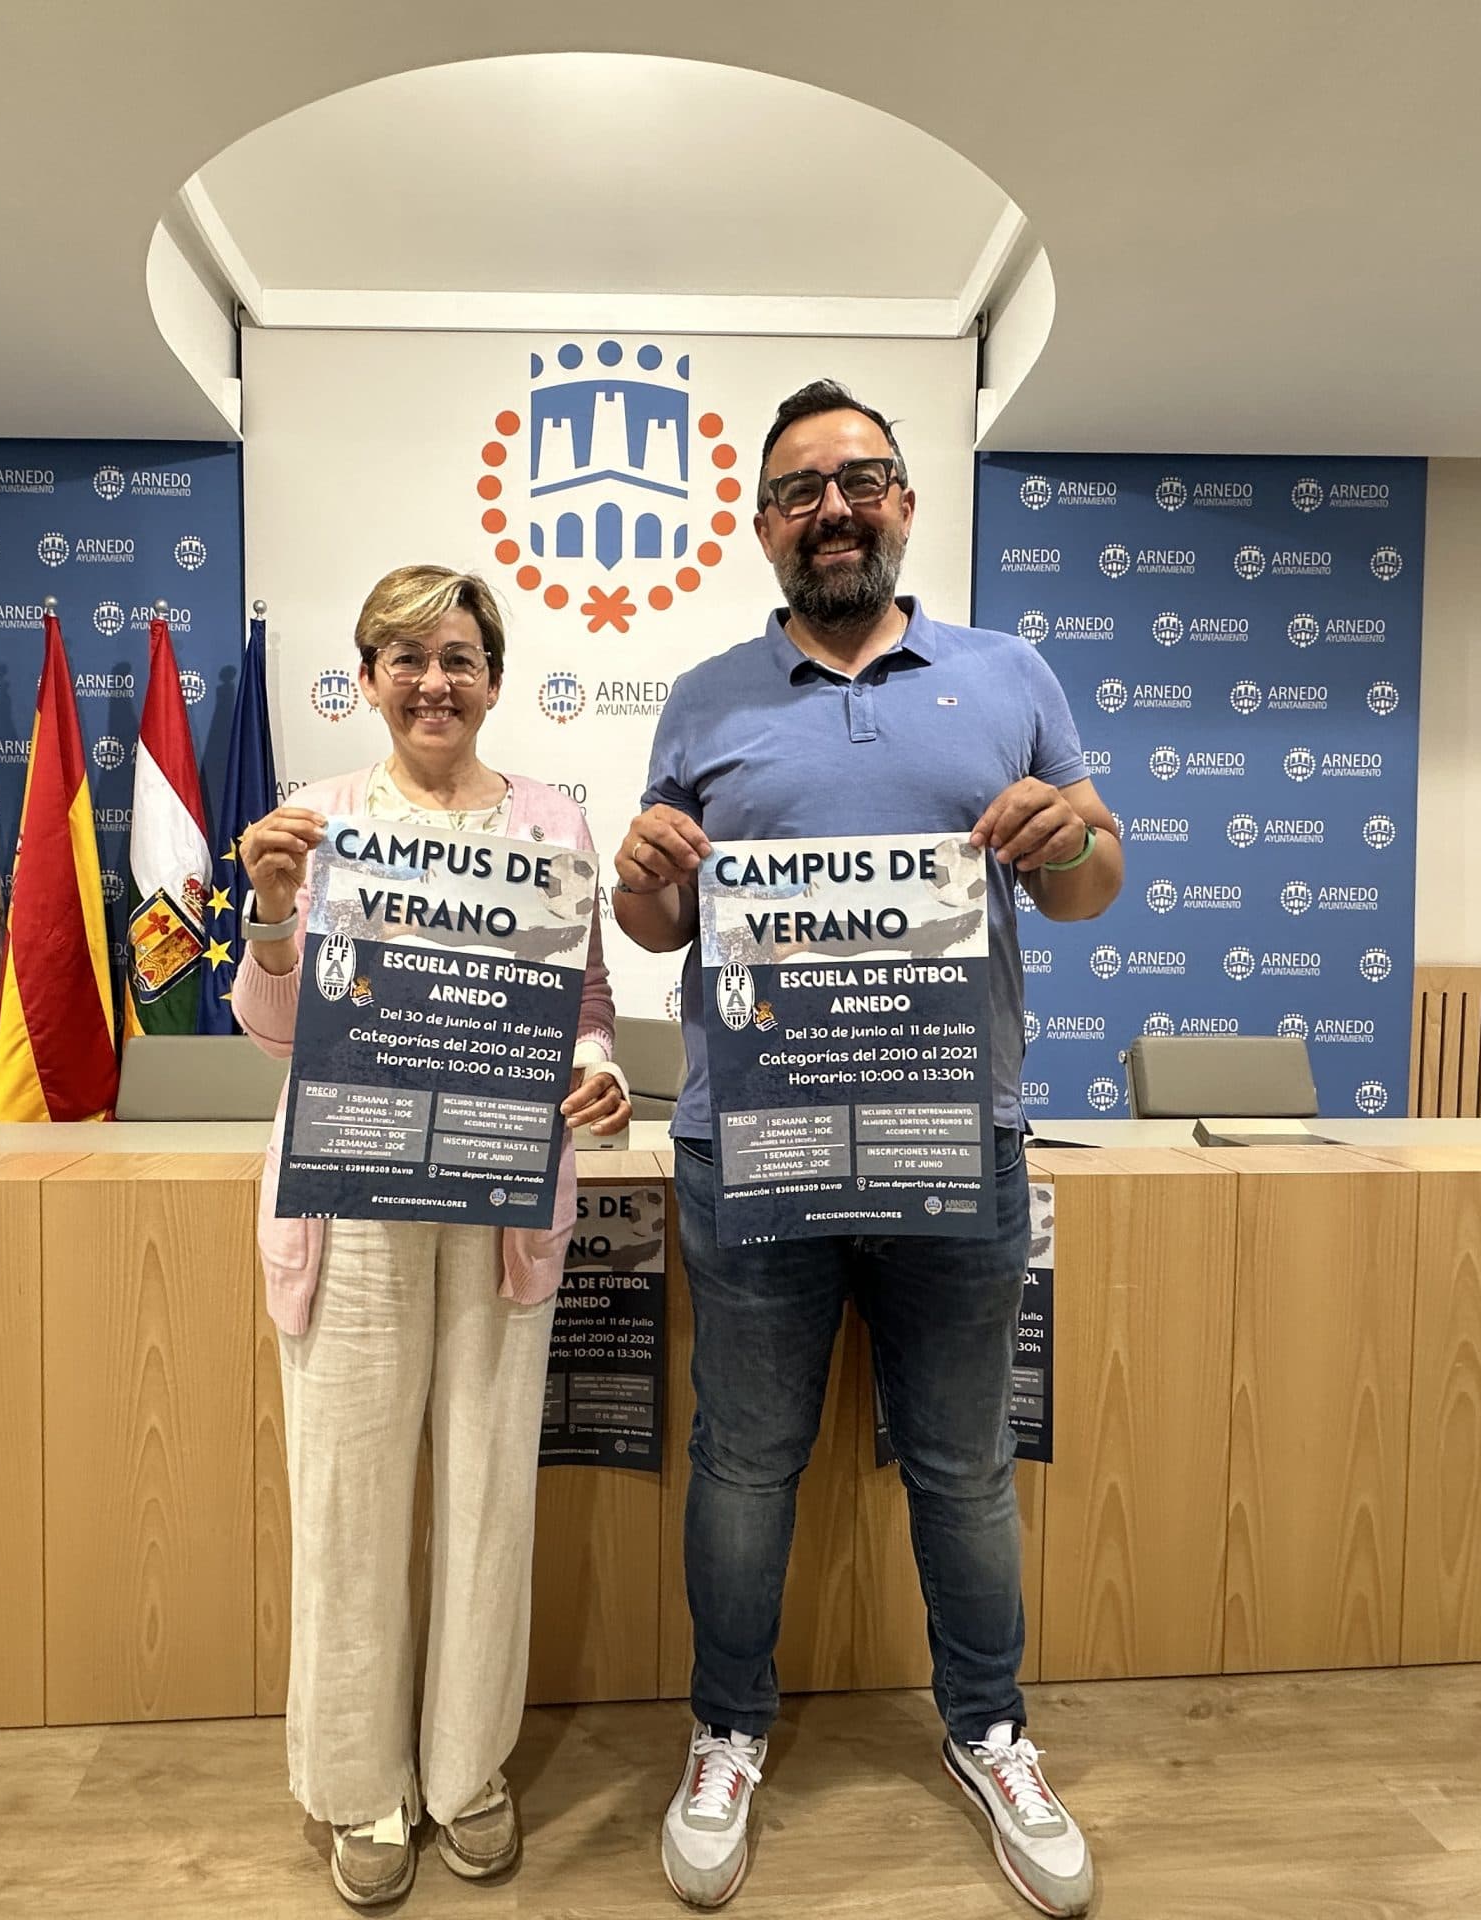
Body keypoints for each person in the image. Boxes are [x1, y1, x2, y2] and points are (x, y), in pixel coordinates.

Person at [613, 382, 1123, 1916]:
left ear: (903, 502)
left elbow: (1091, 880)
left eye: (861, 480)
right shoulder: (702, 699)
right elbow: (659, 924)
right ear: (764, 526)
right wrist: (643, 873)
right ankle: (727, 1731)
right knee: (744, 1460)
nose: (832, 509)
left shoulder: (1009, 674)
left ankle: (990, 1732)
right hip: (749, 1152)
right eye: (799, 490)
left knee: (962, 1462)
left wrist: (1071, 834)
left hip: (952, 1139)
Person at [234, 564, 631, 1909]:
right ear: (367, 680)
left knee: (486, 1495)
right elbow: (277, 1032)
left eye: (457, 656)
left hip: (501, 1202)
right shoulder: (321, 822)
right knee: (348, 1501)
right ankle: (358, 1785)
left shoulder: (551, 822)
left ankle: (466, 1773)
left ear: (494, 680)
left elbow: (586, 1004)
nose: (433, 682)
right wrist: (272, 918)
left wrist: (598, 1072)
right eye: (405, 658)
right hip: (350, 1206)